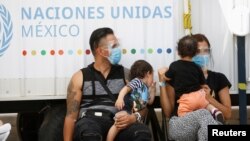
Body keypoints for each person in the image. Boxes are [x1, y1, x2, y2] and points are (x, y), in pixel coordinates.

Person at [63, 27, 152, 141]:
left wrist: (133, 118)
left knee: (141, 133)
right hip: (90, 121)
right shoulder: (80, 77)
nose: (118, 49)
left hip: (117, 124)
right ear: (100, 51)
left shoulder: (126, 74)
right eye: (114, 46)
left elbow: (142, 107)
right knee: (90, 134)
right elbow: (71, 118)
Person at [158, 33, 232, 141]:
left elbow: (228, 114)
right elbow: (168, 112)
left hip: (209, 129)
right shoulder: (176, 75)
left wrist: (209, 98)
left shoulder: (219, 78)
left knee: (209, 125)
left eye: (206, 51)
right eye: (198, 51)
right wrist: (161, 82)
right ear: (192, 52)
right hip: (181, 126)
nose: (202, 55)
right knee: (204, 114)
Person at [107, 60, 156, 141]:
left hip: (134, 111)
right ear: (148, 74)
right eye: (152, 76)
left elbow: (150, 102)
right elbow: (126, 89)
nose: (152, 79)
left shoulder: (145, 89)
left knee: (136, 129)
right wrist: (120, 98)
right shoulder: (138, 81)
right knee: (118, 125)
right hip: (128, 106)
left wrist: (153, 90)